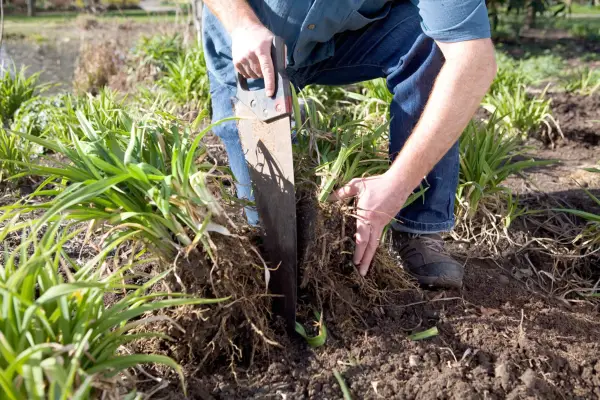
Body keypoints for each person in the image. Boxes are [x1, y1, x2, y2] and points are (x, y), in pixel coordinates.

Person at [202, 0, 497, 289]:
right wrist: (241, 24)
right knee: (268, 235)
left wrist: (396, 185)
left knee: (434, 45)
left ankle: (418, 229)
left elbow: (472, 58)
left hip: (340, 38)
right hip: (250, 44)